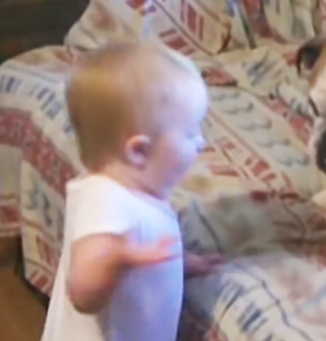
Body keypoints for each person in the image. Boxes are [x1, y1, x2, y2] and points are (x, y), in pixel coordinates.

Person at [40, 40, 222, 341]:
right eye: (190, 132)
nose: (201, 142)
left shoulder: (136, 195)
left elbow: (149, 241)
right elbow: (83, 290)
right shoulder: (105, 201)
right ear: (139, 151)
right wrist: (119, 257)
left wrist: (182, 261)